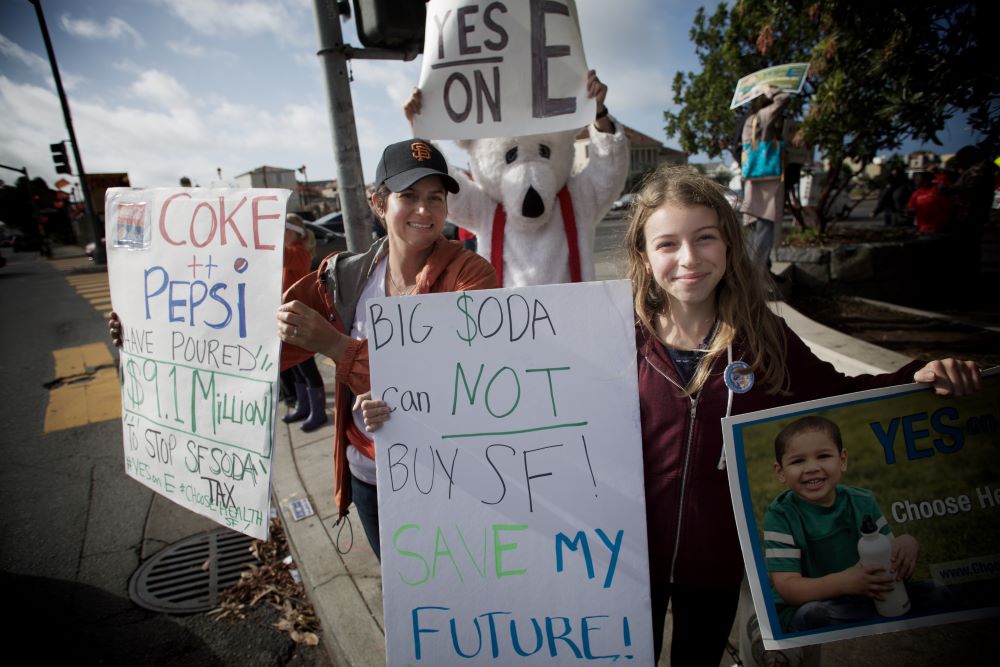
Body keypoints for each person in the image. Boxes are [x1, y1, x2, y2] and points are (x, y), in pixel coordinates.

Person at [623, 165, 979, 665]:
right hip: (629, 560)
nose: (688, 259)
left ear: (727, 243)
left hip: (719, 564)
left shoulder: (763, 338)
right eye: (667, 244)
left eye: (704, 238)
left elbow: (839, 393)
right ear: (643, 253)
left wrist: (918, 377)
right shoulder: (618, 336)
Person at [275, 139, 498, 560]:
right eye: (408, 196)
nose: (424, 210)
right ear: (378, 203)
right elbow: (266, 347)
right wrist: (144, 329)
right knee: (406, 598)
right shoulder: (346, 277)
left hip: (448, 475)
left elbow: (458, 383)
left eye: (435, 198)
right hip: (368, 476)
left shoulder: (471, 275)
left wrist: (337, 346)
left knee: (458, 590)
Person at [764, 416, 950, 632]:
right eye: (798, 461)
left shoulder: (862, 501)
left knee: (937, 592)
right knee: (812, 616)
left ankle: (871, 618)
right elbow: (788, 588)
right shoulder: (780, 514)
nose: (812, 468)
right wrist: (844, 582)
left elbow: (886, 555)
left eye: (823, 456)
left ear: (842, 460)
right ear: (780, 472)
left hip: (870, 595)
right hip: (819, 603)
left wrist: (906, 543)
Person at [279, 213, 328, 432]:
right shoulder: (293, 251)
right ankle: (303, 406)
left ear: (295, 233)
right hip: (288, 315)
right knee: (296, 366)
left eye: (285, 230)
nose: (281, 235)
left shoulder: (298, 252)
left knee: (306, 366)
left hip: (298, 316)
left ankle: (318, 412)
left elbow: (276, 254)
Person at [740, 84, 789, 272]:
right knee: (765, 229)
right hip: (767, 182)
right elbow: (783, 99)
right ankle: (756, 279)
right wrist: (770, 89)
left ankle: (756, 275)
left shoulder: (750, 121)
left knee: (755, 229)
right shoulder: (764, 117)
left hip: (754, 180)